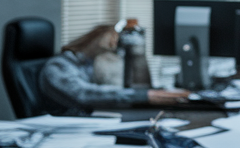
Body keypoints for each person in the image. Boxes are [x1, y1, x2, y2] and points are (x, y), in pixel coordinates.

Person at [39, 24, 188, 115]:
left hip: (91, 117)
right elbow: (84, 94)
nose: (115, 42)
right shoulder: (58, 66)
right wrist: (142, 95)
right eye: (112, 36)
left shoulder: (90, 64)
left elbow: (108, 87)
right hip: (68, 125)